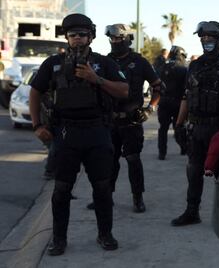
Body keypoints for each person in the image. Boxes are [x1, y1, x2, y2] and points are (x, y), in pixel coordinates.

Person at [29, 13, 129, 256]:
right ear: (67, 38)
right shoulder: (52, 63)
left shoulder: (104, 63)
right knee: (61, 189)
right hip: (66, 133)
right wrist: (37, 126)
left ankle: (105, 234)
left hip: (97, 132)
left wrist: (97, 79)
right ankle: (59, 239)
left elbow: (124, 90)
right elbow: (34, 91)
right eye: (72, 35)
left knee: (102, 188)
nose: (77, 39)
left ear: (91, 37)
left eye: (82, 34)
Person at [171, 21, 219, 226]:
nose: (206, 41)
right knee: (194, 170)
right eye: (203, 37)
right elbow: (187, 96)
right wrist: (178, 124)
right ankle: (192, 211)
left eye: (210, 38)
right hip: (196, 128)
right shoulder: (195, 65)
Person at [86, 24, 162, 212]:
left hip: (131, 120)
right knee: (108, 162)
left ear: (127, 39)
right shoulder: (104, 62)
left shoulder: (140, 62)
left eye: (119, 38)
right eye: (112, 39)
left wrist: (150, 108)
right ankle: (105, 198)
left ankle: (138, 198)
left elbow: (158, 86)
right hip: (108, 121)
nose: (115, 42)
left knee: (133, 159)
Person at [157, 45, 188, 160]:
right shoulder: (184, 69)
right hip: (178, 103)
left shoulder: (162, 66)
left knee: (163, 128)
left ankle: (162, 152)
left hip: (164, 101)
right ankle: (184, 147)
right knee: (179, 126)